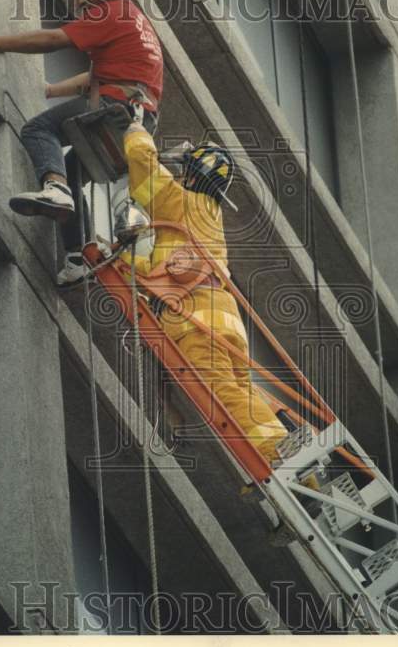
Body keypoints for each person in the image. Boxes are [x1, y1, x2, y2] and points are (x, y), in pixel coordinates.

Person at [0, 0, 163, 285]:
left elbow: (55, 39)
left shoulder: (109, 12)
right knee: (73, 168)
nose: (76, 2)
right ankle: (78, 256)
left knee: (37, 130)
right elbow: (97, 76)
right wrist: (50, 90)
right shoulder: (132, 17)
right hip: (138, 122)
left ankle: (55, 188)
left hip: (114, 108)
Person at [118, 119, 289, 465]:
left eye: (183, 173)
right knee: (240, 390)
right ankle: (293, 460)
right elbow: (160, 271)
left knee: (223, 393)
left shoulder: (181, 203)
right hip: (224, 320)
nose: (178, 178)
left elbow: (143, 164)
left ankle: (275, 454)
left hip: (196, 319)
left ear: (193, 177)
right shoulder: (210, 216)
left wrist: (134, 126)